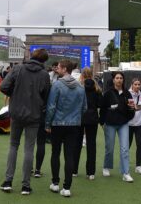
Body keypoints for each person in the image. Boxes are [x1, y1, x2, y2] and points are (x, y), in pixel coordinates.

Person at [0, 49, 50, 195]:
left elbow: (3, 87)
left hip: (16, 113)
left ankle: (8, 181)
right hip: (34, 115)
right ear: (44, 61)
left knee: (13, 146)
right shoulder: (44, 75)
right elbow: (46, 97)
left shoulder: (18, 69)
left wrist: (14, 94)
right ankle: (26, 185)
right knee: (29, 149)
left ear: (31, 56)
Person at [45, 60, 87, 198]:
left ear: (64, 69)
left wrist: (47, 124)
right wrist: (76, 118)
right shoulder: (80, 87)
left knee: (55, 153)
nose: (57, 69)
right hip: (74, 125)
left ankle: (55, 183)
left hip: (57, 124)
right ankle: (67, 187)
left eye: (59, 67)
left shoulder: (57, 85)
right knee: (69, 155)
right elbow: (84, 108)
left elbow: (51, 107)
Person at [99, 71, 135, 182]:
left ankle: (126, 173)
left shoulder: (127, 94)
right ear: (114, 80)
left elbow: (131, 108)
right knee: (109, 148)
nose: (119, 80)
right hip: (110, 124)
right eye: (117, 78)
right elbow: (103, 108)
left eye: (121, 78)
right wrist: (102, 122)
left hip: (123, 124)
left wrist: (130, 112)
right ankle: (106, 166)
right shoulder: (108, 93)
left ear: (123, 80)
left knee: (125, 149)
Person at [73, 67, 101, 180]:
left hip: (80, 118)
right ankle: (91, 172)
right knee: (91, 145)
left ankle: (74, 170)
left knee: (77, 144)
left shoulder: (78, 88)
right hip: (92, 118)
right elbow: (100, 104)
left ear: (82, 75)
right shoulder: (97, 89)